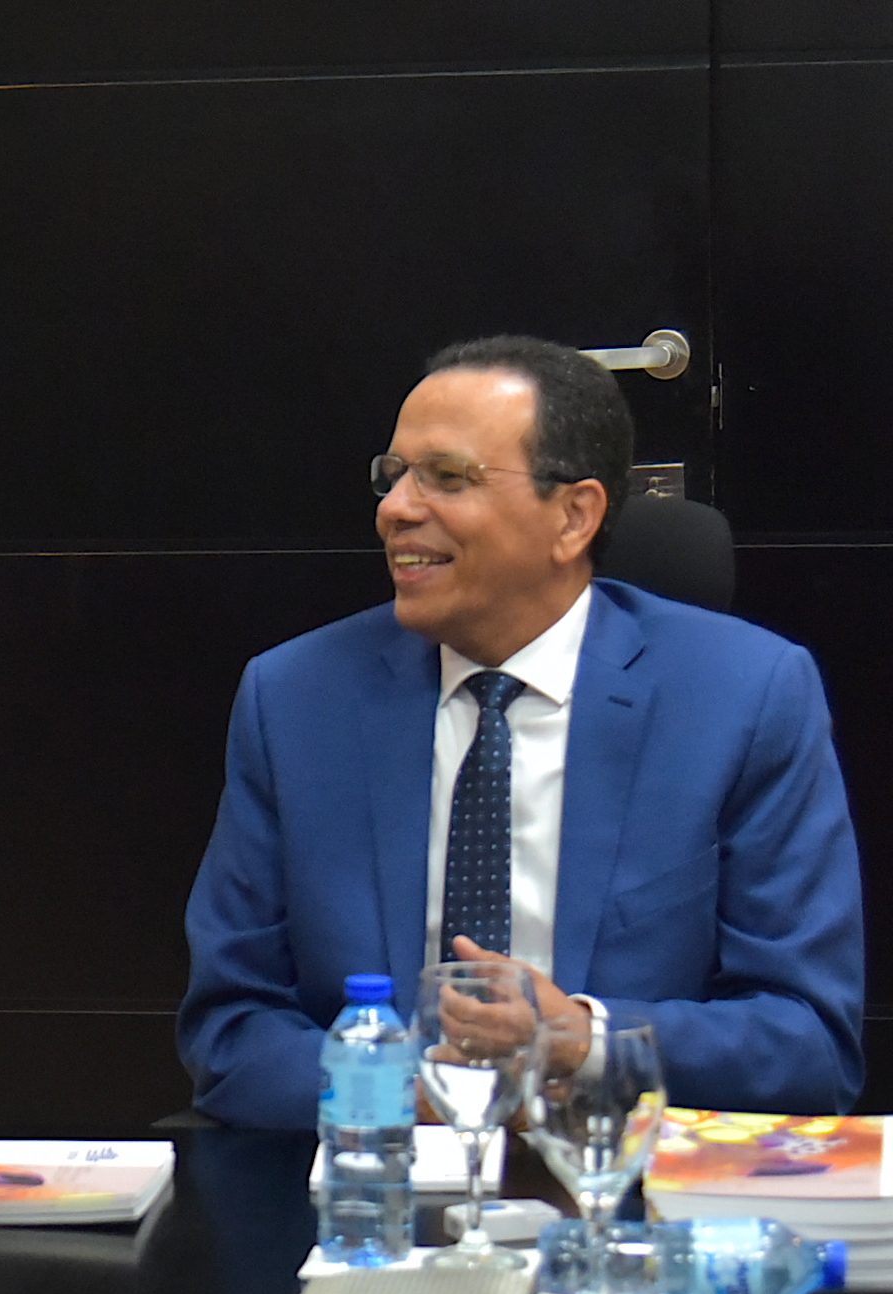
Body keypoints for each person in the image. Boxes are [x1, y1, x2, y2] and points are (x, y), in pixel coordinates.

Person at [178, 335, 863, 1128]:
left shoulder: (745, 696)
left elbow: (809, 1045)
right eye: (392, 475)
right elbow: (229, 1028)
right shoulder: (297, 698)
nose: (396, 508)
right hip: (377, 1188)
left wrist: (578, 1039)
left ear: (574, 517)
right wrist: (411, 1093)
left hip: (624, 1187)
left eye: (447, 477)